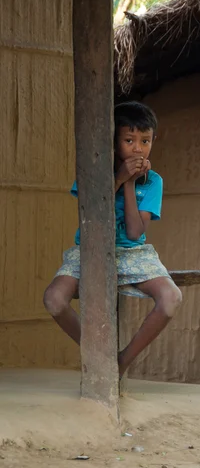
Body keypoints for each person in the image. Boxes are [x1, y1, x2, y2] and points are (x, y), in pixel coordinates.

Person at [43, 101, 182, 377]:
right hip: (91, 251)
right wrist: (118, 178)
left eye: (145, 140)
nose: (138, 148)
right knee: (54, 300)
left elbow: (134, 233)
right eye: (129, 140)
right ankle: (100, 354)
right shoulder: (92, 174)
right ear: (114, 141)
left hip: (133, 254)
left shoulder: (153, 181)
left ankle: (120, 362)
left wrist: (130, 183)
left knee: (171, 299)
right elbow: (91, 212)